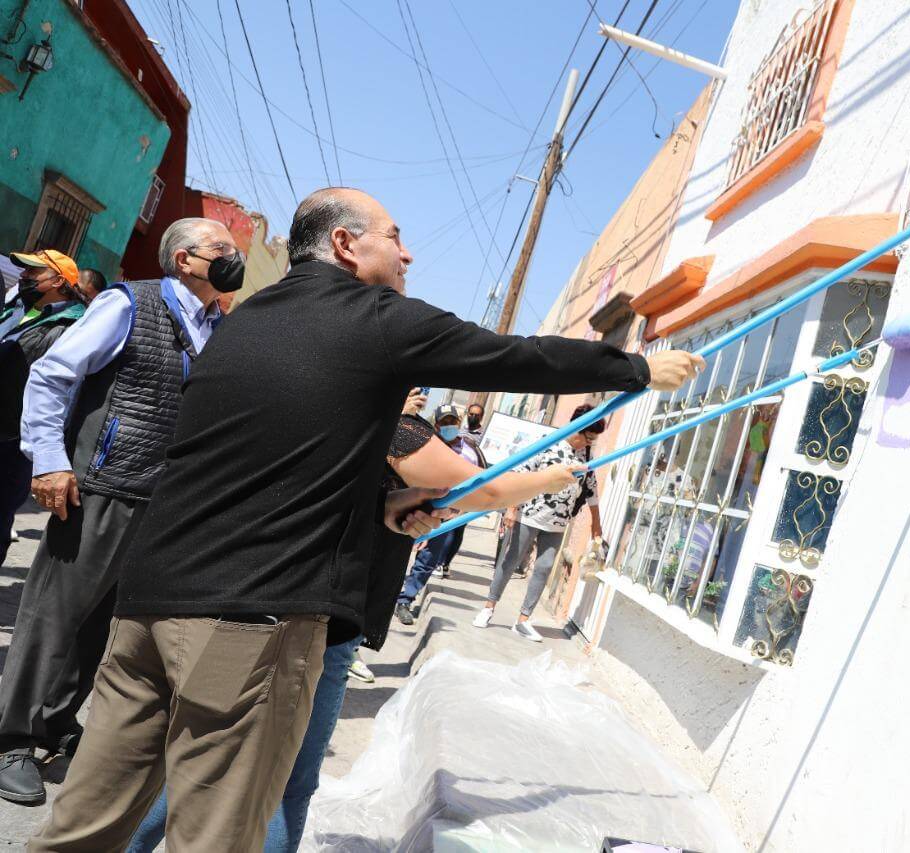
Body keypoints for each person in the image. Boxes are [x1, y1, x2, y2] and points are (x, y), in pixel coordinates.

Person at [30, 186, 703, 851]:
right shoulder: (375, 317)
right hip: (248, 621)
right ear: (346, 245)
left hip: (146, 607)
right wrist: (636, 367)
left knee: (82, 827)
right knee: (215, 837)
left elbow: (265, 464)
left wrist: (381, 507)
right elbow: (514, 356)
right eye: (395, 236)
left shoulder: (244, 322)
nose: (409, 253)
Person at [128, 406, 582, 853]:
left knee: (199, 760)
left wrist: (403, 509)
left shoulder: (316, 411)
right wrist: (553, 478)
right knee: (286, 781)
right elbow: (479, 490)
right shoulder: (392, 427)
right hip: (325, 620)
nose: (422, 393)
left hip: (253, 601)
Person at [0, 220, 241, 806]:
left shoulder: (217, 325)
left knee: (103, 626)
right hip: (99, 487)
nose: (232, 259)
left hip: (161, 501)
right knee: (54, 615)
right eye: (222, 251)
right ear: (184, 259)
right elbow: (54, 373)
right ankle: (10, 738)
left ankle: (55, 725)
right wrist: (51, 461)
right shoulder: (127, 302)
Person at [474, 403, 607, 643]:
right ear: (577, 428)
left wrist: (596, 525)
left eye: (593, 441)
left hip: (557, 523)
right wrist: (512, 509)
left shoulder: (586, 456)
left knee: (544, 567)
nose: (589, 443)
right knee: (510, 560)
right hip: (530, 514)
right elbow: (521, 474)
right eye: (588, 437)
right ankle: (488, 607)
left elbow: (592, 492)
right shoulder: (549, 443)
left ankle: (523, 620)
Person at [0, 250, 86, 568]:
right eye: (24, 271)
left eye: (33, 273)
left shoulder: (72, 325)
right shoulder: (17, 307)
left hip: (13, 439)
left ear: (58, 281)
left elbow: (60, 390)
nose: (23, 277)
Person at [394, 404, 486, 624]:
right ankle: (387, 594)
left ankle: (405, 600)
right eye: (444, 423)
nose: (449, 427)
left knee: (429, 559)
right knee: (397, 554)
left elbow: (481, 478)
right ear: (436, 425)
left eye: (452, 422)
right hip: (419, 508)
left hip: (451, 514)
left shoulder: (471, 448)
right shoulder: (428, 446)